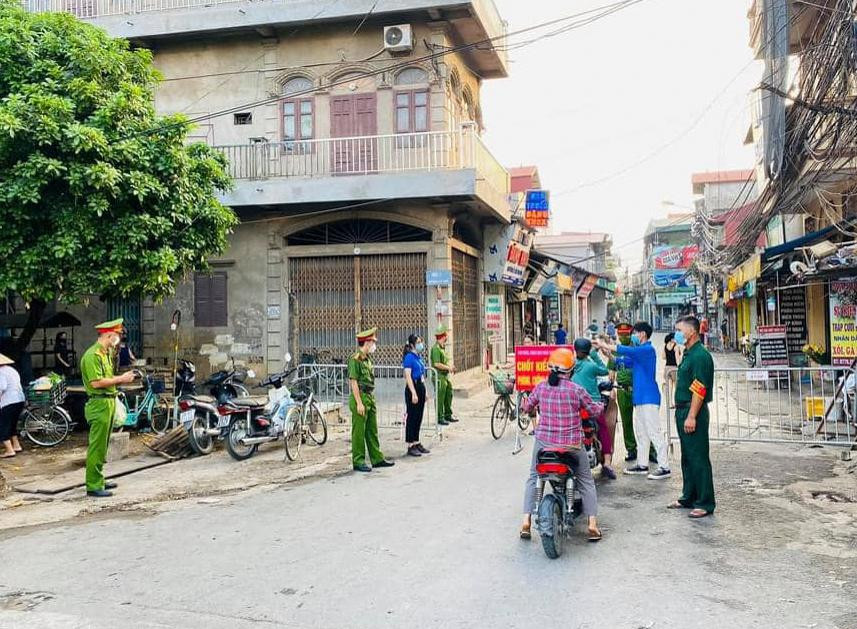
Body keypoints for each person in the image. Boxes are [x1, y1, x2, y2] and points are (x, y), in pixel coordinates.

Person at [519, 348, 604, 542]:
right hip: (572, 445)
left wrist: (526, 405)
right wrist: (602, 406)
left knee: (533, 477)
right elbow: (594, 410)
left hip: (544, 444)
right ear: (571, 370)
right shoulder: (576, 390)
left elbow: (526, 407)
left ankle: (526, 521)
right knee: (586, 480)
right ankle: (592, 524)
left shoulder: (541, 387)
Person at [596, 321, 671, 480]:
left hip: (649, 397)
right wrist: (608, 354)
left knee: (654, 432)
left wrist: (605, 344)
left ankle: (664, 466)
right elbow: (620, 361)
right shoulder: (639, 353)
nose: (633, 336)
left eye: (635, 333)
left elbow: (623, 350)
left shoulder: (646, 350)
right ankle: (642, 464)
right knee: (641, 433)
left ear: (642, 334)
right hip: (640, 398)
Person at [80, 319, 137, 497]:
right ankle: (93, 485)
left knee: (103, 445)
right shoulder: (92, 356)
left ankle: (99, 478)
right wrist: (122, 379)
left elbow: (108, 377)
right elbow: (96, 383)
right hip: (99, 403)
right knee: (97, 445)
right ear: (109, 335)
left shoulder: (105, 353)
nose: (119, 339)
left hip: (108, 401)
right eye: (118, 335)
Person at [668, 316, 716, 518]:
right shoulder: (688, 353)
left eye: (680, 329)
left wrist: (691, 416)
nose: (677, 333)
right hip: (683, 410)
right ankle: (689, 496)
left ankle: (705, 502)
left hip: (691, 410)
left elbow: (700, 389)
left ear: (692, 332)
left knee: (698, 457)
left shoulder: (700, 356)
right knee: (687, 457)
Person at [348, 327, 395, 473]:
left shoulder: (367, 359)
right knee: (359, 432)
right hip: (360, 397)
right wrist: (359, 403)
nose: (374, 345)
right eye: (373, 342)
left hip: (369, 396)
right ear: (367, 342)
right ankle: (358, 461)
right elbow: (353, 382)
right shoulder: (355, 359)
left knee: (371, 430)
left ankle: (377, 458)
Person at [571, 338, 616, 479]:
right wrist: (595, 354)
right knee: (603, 429)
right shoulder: (591, 366)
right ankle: (607, 462)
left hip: (574, 404)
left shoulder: (571, 365)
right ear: (587, 351)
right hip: (592, 404)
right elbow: (604, 370)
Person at [402, 334, 429, 457]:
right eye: (418, 342)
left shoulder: (418, 357)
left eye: (421, 342)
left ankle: (417, 441)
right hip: (413, 388)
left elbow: (422, 375)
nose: (420, 344)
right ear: (412, 344)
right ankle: (410, 444)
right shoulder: (409, 357)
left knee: (419, 416)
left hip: (420, 387)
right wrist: (413, 392)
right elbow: (408, 376)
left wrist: (426, 391)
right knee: (412, 417)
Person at [430, 326, 457, 426]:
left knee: (449, 393)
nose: (447, 336)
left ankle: (448, 414)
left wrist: (450, 367)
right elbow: (436, 364)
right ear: (443, 336)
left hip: (445, 376)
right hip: (439, 376)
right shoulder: (436, 349)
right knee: (440, 397)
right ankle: (440, 417)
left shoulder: (442, 347)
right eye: (446, 334)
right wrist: (448, 368)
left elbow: (445, 361)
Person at [0, 353, 25, 458]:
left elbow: (2, 387)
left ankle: (9, 450)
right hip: (19, 399)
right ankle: (16, 445)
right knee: (12, 424)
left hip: (9, 401)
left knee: (3, 426)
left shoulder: (0, 372)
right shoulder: (11, 369)